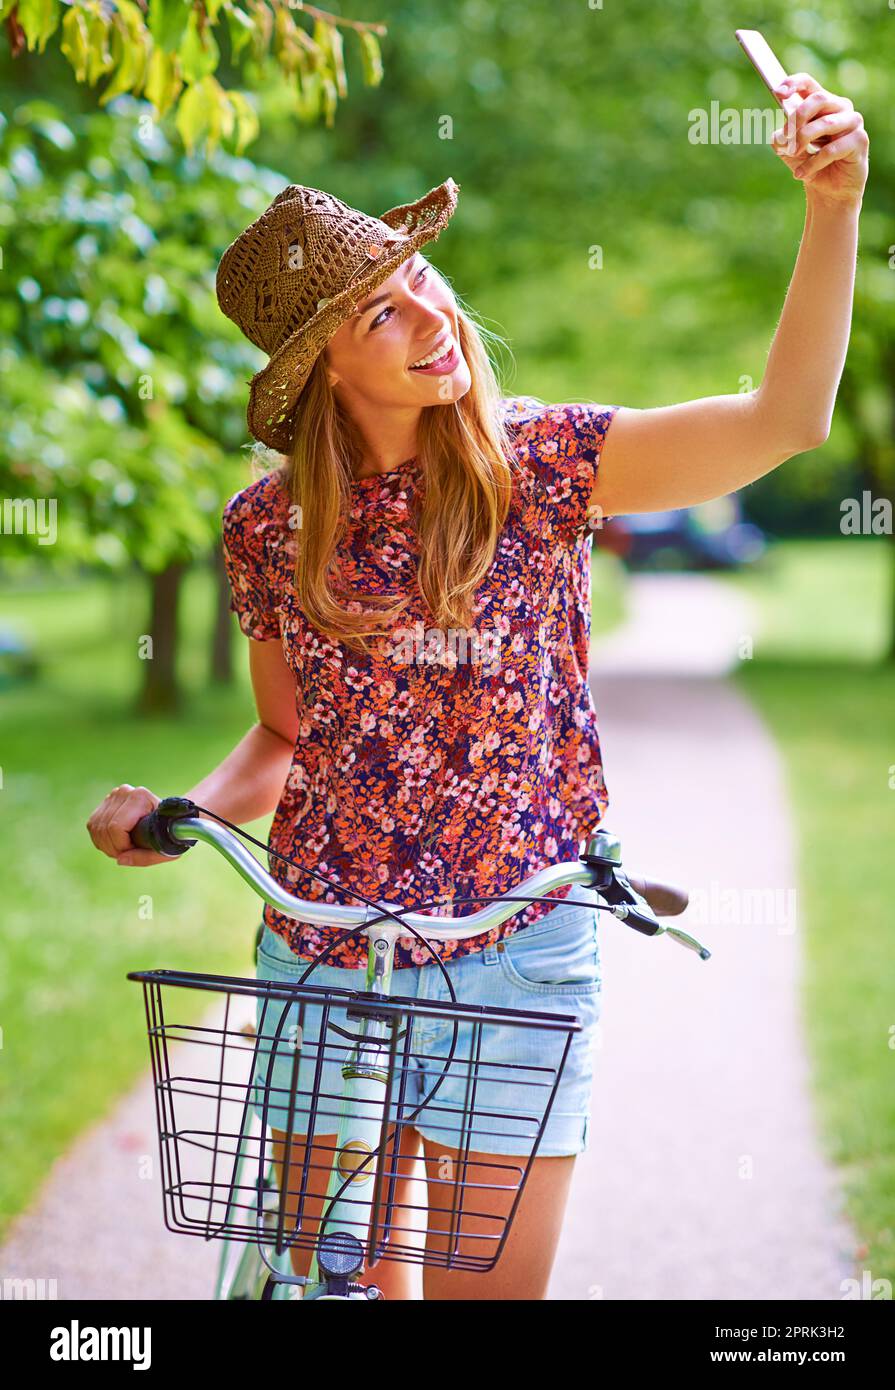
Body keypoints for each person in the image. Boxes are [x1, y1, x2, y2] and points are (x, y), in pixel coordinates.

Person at [87, 73, 868, 1299]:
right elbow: (286, 734)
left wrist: (832, 208)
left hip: (521, 947)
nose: (432, 315)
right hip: (328, 948)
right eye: (382, 317)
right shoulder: (267, 529)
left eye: (421, 284)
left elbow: (785, 419)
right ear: (324, 375)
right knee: (330, 1284)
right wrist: (177, 813)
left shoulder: (547, 467)